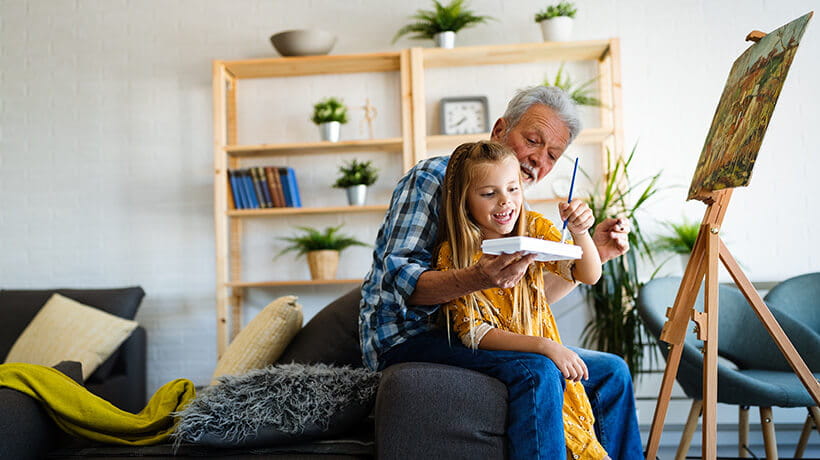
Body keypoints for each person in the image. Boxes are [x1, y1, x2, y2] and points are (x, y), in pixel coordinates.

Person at [359, 86, 642, 459]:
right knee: (538, 368)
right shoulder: (434, 178)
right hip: (413, 335)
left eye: (552, 155)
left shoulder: (515, 212)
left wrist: (595, 252)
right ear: (499, 130)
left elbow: (523, 296)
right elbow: (403, 284)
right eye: (532, 140)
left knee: (612, 372)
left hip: (479, 333)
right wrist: (479, 277)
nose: (537, 159)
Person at [436, 140, 605, 459]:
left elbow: (588, 273)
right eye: (489, 193)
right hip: (522, 357)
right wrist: (545, 346)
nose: (505, 202)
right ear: (464, 200)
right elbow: (474, 332)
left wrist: (582, 232)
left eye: (513, 189)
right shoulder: (455, 254)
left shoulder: (534, 229)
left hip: (548, 356)